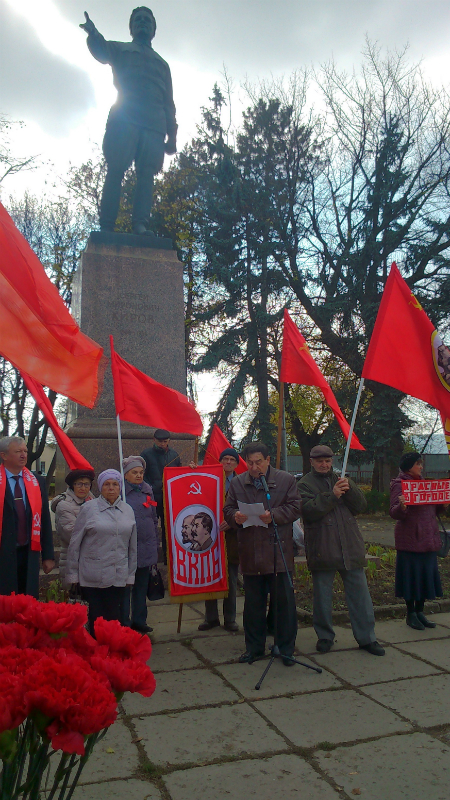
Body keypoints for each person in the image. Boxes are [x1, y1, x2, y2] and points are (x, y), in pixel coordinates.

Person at [80, 7, 177, 234]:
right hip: (124, 118)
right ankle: (107, 226)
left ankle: (140, 225)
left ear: (154, 30)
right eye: (138, 20)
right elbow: (102, 50)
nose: (143, 23)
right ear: (131, 28)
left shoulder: (162, 65)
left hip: (154, 124)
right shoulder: (121, 49)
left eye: (147, 20)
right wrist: (93, 34)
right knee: (115, 170)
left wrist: (172, 135)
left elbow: (169, 103)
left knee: (146, 176)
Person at [298, 445, 385, 656]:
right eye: (320, 461)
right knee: (322, 598)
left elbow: (361, 507)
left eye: (327, 461)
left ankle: (367, 638)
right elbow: (307, 511)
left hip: (350, 546)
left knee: (360, 596)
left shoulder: (342, 479)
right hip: (322, 547)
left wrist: (350, 489)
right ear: (311, 462)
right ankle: (325, 636)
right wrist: (332, 495)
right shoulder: (303, 484)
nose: (324, 464)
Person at [223, 442, 301, 665]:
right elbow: (227, 509)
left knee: (284, 606)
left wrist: (273, 515)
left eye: (258, 462)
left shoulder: (286, 480)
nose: (254, 467)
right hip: (251, 552)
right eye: (249, 462)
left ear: (268, 460)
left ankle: (286, 649)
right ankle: (254, 648)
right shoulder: (238, 482)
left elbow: (296, 507)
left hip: (278, 552)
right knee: (253, 606)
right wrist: (235, 517)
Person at [66, 469, 137, 636]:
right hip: (92, 576)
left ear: (120, 487)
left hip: (118, 575)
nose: (111, 488)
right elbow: (75, 543)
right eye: (106, 484)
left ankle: (110, 650)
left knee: (113, 619)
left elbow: (132, 546)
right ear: (100, 487)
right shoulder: (88, 509)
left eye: (115, 484)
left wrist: (130, 574)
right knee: (95, 620)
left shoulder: (128, 510)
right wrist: (73, 574)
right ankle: (93, 650)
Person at [390, 451, 443, 630]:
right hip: (410, 540)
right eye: (417, 464)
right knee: (411, 578)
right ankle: (410, 613)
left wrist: (442, 505)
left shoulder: (426, 484)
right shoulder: (399, 484)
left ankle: (420, 611)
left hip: (428, 538)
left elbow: (432, 510)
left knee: (425, 577)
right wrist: (402, 506)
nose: (421, 466)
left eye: (421, 463)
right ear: (408, 467)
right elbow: (393, 512)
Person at [0, 436, 54, 598]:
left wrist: (48, 556)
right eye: (18, 451)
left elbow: (44, 519)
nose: (23, 455)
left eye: (25, 451)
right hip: (4, 553)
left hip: (29, 552)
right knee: (5, 602)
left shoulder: (36, 481)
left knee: (28, 600)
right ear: (4, 455)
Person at [199, 447, 241, 633]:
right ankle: (211, 618)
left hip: (232, 539)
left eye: (232, 459)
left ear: (237, 464)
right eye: (225, 459)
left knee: (230, 580)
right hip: (209, 537)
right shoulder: (209, 479)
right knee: (210, 577)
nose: (228, 462)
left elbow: (246, 507)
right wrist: (192, 471)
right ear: (220, 461)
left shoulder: (241, 483)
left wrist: (233, 522)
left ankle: (230, 619)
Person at [122, 455, 158, 633]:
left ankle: (140, 620)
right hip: (127, 548)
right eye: (134, 472)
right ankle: (124, 622)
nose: (138, 475)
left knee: (141, 587)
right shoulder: (121, 492)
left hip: (146, 547)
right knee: (126, 588)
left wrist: (155, 540)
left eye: (141, 472)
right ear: (125, 475)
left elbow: (153, 517)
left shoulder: (147, 490)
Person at [141, 429, 181, 564]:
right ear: (154, 440)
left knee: (168, 529)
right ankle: (150, 559)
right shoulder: (146, 454)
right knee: (150, 529)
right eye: (160, 441)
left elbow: (179, 474)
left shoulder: (174, 455)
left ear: (169, 441)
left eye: (165, 441)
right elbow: (142, 475)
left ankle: (168, 559)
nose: (162, 444)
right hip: (151, 498)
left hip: (169, 498)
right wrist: (150, 488)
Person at [51, 469, 95, 588]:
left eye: (86, 484)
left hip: (92, 561)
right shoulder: (64, 505)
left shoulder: (94, 502)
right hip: (72, 561)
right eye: (79, 484)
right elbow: (72, 535)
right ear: (72, 485)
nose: (83, 488)